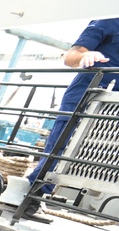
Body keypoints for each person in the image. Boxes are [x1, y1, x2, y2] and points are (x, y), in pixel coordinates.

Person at [28, 18, 119, 186]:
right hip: (86, 95)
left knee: (105, 153)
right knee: (62, 146)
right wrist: (85, 55)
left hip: (115, 106)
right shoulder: (108, 22)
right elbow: (71, 57)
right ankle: (36, 192)